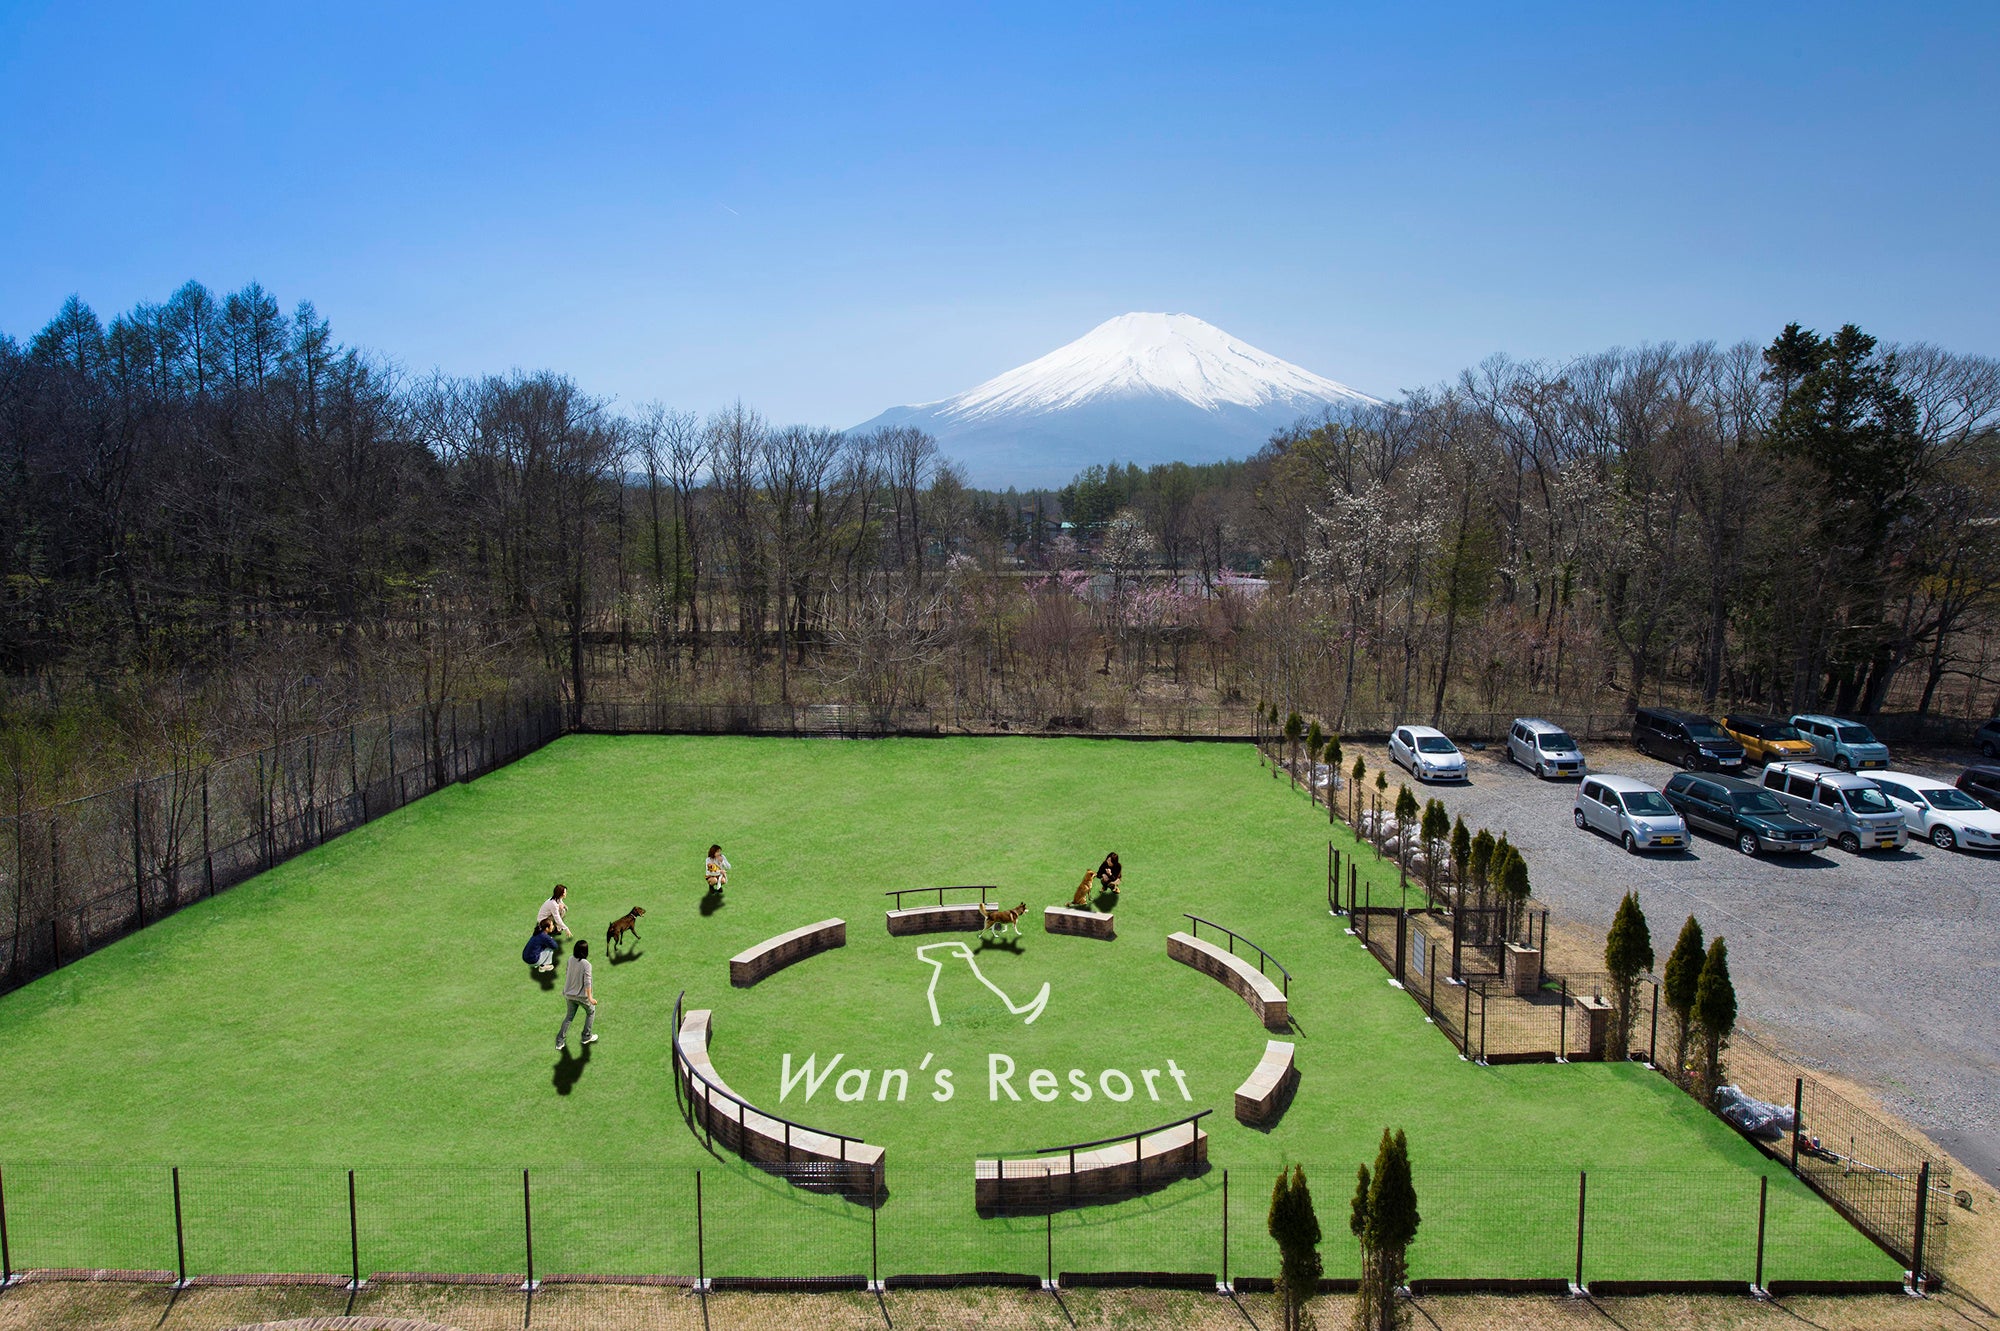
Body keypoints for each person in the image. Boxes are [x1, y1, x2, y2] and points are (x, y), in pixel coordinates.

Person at [557, 940, 597, 1049]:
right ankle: (586, 1036)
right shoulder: (586, 964)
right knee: (591, 1011)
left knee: (569, 1017)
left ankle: (559, 1042)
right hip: (582, 997)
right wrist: (590, 998)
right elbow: (587, 982)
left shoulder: (570, 959)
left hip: (569, 994)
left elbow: (567, 973)